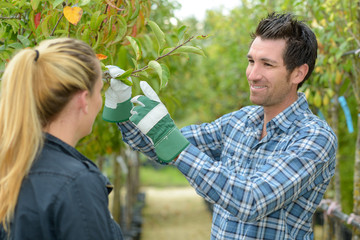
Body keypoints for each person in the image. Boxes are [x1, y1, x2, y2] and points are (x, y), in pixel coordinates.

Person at [103, 12, 337, 239]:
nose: (253, 74)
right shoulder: (239, 122)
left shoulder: (314, 137)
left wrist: (169, 138)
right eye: (251, 61)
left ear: (298, 73)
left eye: (267, 64)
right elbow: (161, 148)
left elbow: (252, 200)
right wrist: (123, 111)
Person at [0, 38, 123, 239]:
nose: (100, 101)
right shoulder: (76, 183)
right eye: (100, 91)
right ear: (84, 100)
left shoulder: (11, 164)